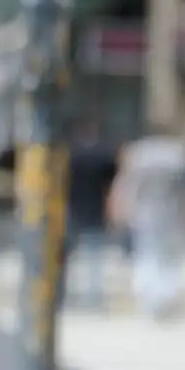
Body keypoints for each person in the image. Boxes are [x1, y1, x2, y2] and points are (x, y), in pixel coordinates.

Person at [109, 124, 185, 319]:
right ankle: (164, 296)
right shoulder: (178, 155)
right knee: (167, 257)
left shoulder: (138, 154)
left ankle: (151, 296)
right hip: (171, 213)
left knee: (147, 254)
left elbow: (126, 186)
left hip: (145, 213)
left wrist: (121, 210)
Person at [62, 118, 115, 308]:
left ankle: (69, 292)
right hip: (93, 210)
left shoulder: (70, 156)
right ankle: (93, 295)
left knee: (69, 256)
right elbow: (110, 184)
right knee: (93, 256)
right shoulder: (102, 156)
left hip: (74, 210)